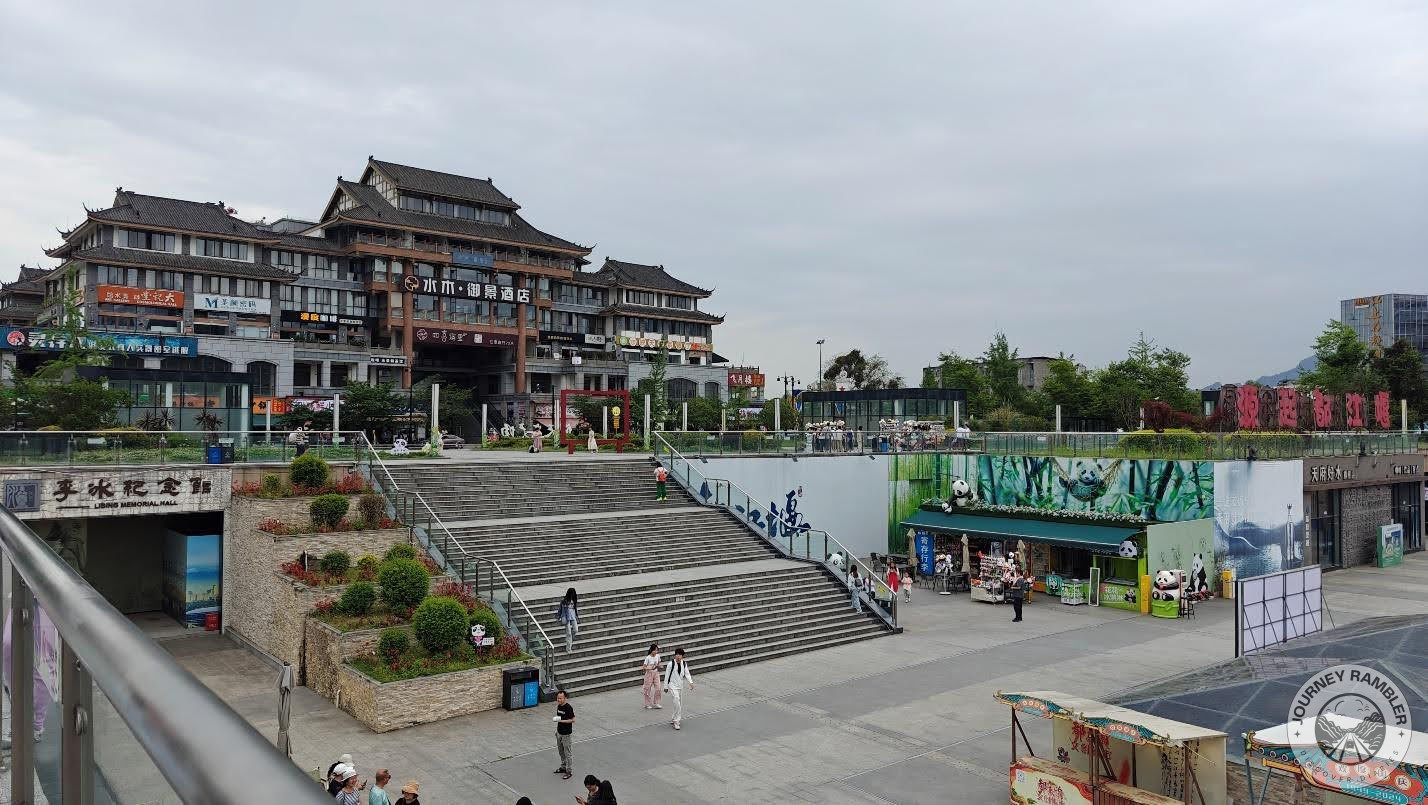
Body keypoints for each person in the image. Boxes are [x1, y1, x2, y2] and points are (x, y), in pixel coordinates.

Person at [662, 647, 694, 730]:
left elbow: (687, 673)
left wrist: (690, 682)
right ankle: (676, 721)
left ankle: (673, 717)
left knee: (678, 703)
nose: (678, 656)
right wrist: (665, 686)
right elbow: (667, 676)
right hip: (672, 685)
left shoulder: (684, 664)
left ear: (682, 656)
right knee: (677, 701)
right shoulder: (671, 664)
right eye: (677, 654)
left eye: (680, 655)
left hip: (680, 686)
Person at [554, 690, 575, 779]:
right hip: (559, 733)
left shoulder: (568, 707)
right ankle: (563, 767)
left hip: (566, 734)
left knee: (568, 753)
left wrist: (561, 721)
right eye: (558, 698)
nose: (558, 700)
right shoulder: (559, 706)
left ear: (565, 698)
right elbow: (560, 716)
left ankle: (569, 771)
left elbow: (573, 720)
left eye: (560, 698)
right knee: (561, 751)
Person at [640, 643, 663, 709]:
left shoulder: (658, 656)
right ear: (651, 650)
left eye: (657, 650)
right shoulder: (648, 658)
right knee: (647, 689)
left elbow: (658, 663)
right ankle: (647, 704)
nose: (656, 652)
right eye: (655, 650)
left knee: (658, 688)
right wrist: (649, 668)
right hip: (649, 674)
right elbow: (643, 667)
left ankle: (656, 702)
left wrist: (660, 666)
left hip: (656, 673)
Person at [557, 588, 579, 652]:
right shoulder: (564, 601)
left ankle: (569, 640)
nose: (573, 595)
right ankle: (568, 648)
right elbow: (560, 609)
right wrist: (558, 616)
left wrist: (577, 616)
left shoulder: (574, 600)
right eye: (571, 593)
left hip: (573, 617)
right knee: (569, 633)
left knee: (575, 630)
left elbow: (575, 609)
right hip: (567, 618)